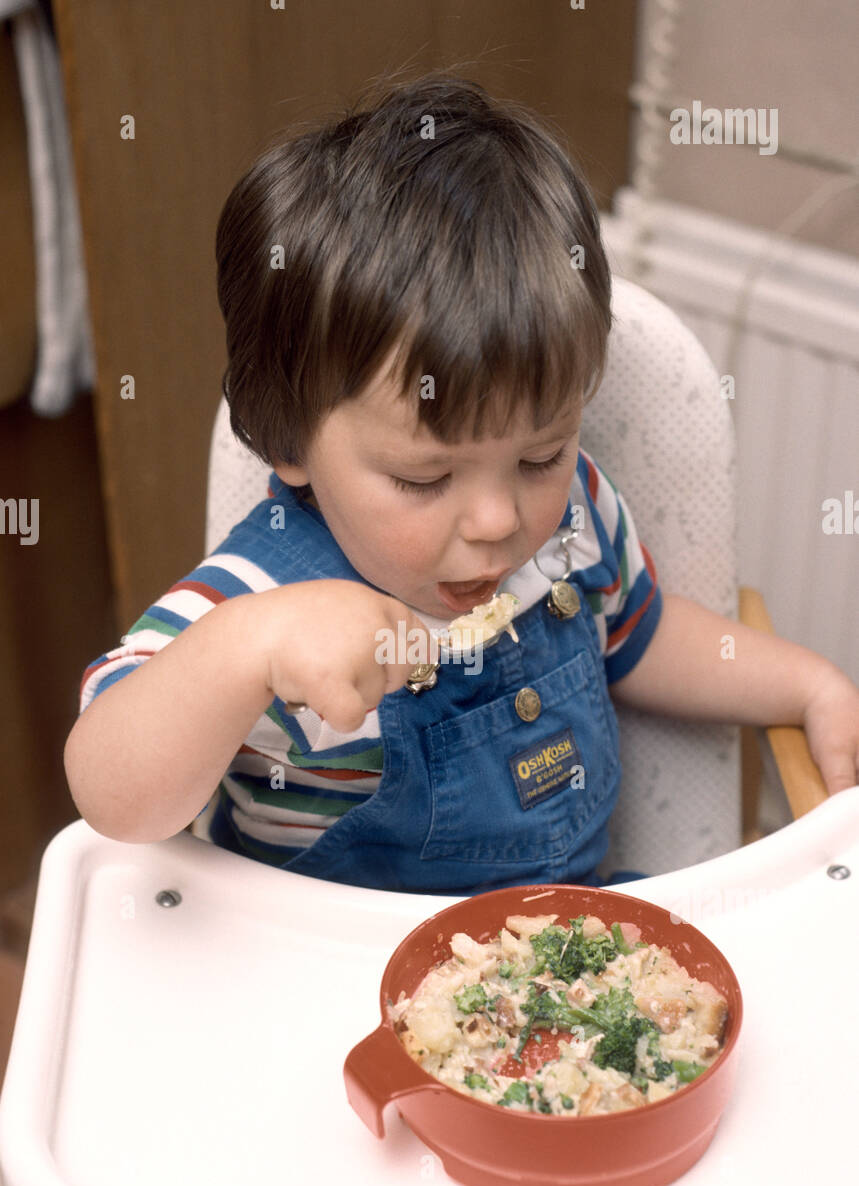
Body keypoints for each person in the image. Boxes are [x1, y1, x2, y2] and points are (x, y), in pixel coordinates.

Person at [64, 73, 859, 896]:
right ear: (284, 438)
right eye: (424, 476)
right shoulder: (250, 595)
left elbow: (645, 637)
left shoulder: (573, 523)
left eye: (539, 456)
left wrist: (808, 685)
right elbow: (114, 797)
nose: (495, 519)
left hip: (566, 962)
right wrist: (244, 652)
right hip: (329, 990)